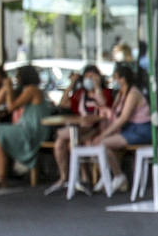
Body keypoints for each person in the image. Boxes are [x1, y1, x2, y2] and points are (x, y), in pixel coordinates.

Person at [45, 65, 112, 195]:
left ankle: (84, 177)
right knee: (60, 143)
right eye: (87, 77)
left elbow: (104, 105)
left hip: (97, 127)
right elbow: (63, 102)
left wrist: (97, 87)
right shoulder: (80, 94)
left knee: (71, 142)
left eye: (92, 77)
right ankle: (65, 177)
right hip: (80, 127)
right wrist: (72, 83)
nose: (89, 80)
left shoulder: (105, 92)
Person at [86, 64, 151, 194]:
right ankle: (109, 177)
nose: (114, 81)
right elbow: (116, 115)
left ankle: (118, 176)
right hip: (128, 130)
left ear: (123, 79)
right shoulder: (120, 94)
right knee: (94, 143)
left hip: (140, 131)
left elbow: (123, 118)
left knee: (101, 143)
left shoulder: (133, 94)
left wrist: (104, 135)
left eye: (116, 78)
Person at [0, 65, 47, 189]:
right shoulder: (30, 90)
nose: (16, 79)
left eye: (18, 76)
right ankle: (1, 177)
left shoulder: (31, 90)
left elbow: (11, 107)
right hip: (28, 128)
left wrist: (8, 88)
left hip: (31, 131)